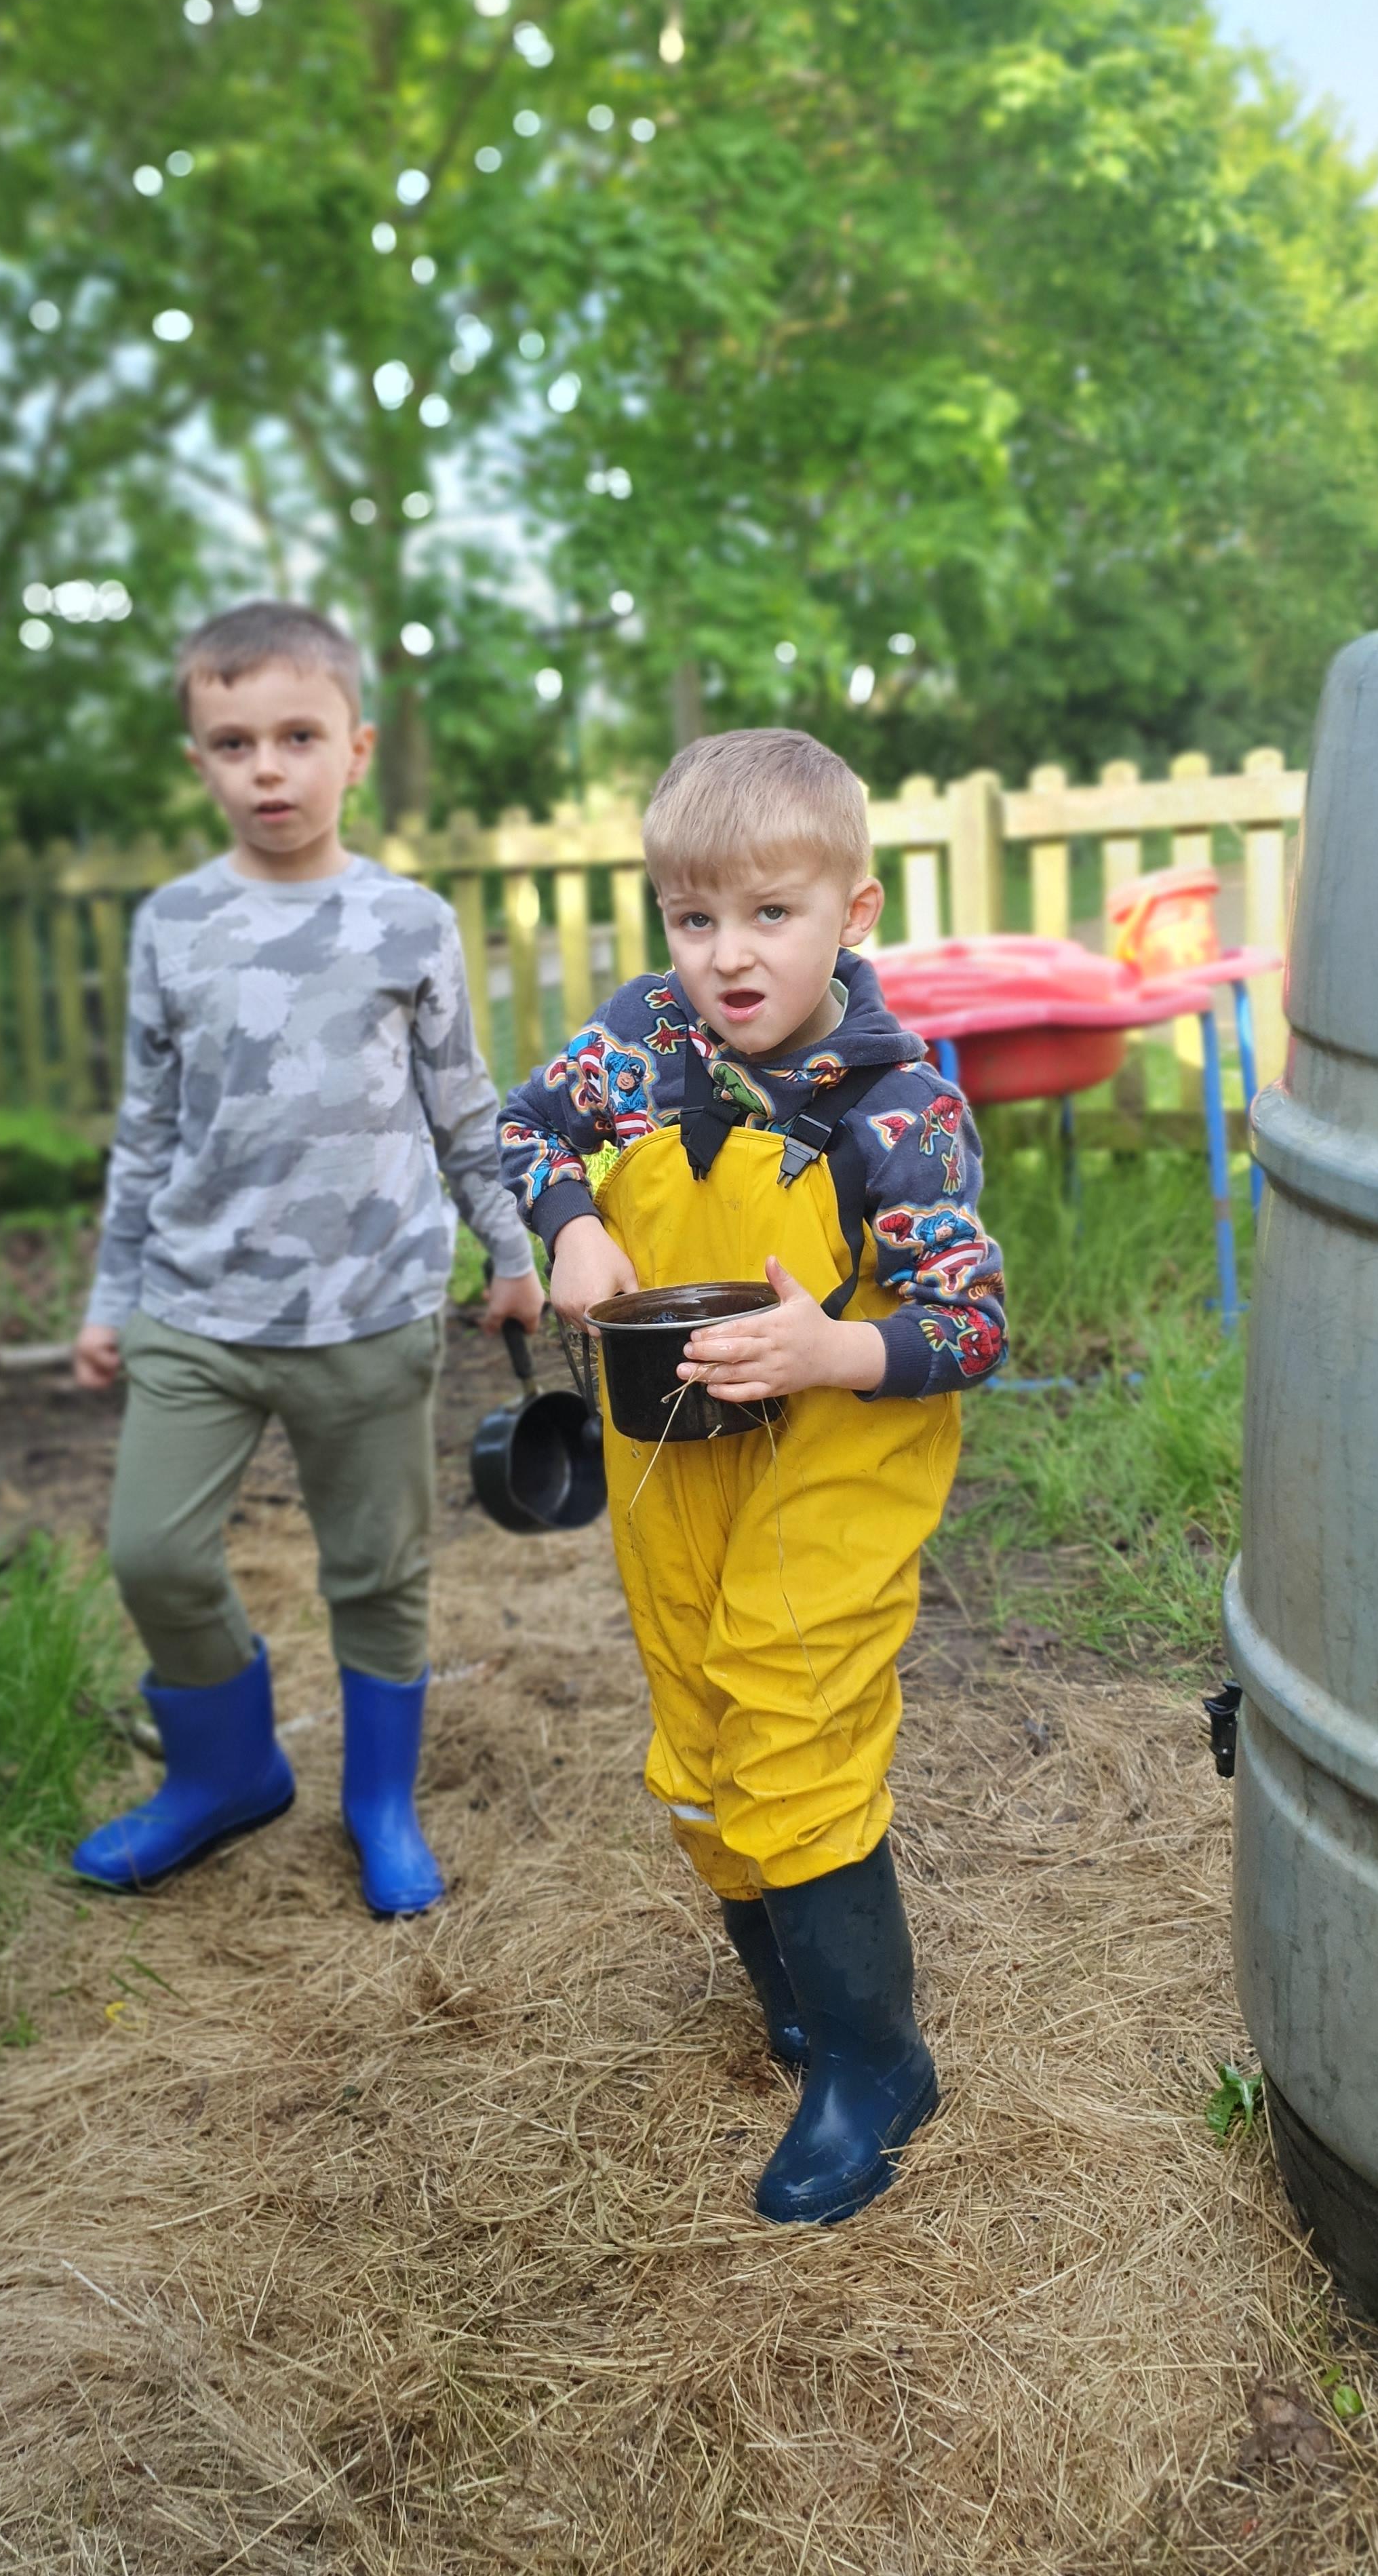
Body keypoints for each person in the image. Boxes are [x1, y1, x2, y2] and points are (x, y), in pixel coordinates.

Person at [498, 728, 1006, 2223]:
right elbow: (523, 1126)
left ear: (853, 912)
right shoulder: (642, 1043)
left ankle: (875, 2062)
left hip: (838, 1451)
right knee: (700, 1723)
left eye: (771, 915)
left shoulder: (898, 1111)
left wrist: (833, 1349)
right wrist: (570, 1223)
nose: (728, 954)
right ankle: (797, 1993)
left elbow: (970, 1323)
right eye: (693, 916)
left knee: (789, 1715)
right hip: (672, 1443)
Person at [72, 600, 544, 1910]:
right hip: (197, 1309)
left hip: (370, 1310)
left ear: (356, 749)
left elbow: (463, 1108)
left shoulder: (408, 922)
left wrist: (510, 1252)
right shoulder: (174, 923)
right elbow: (146, 1125)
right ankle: (225, 1774)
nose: (267, 769)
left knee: (376, 1570)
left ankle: (379, 1802)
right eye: (234, 745)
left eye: (297, 738)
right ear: (200, 763)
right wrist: (112, 1296)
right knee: (153, 1555)